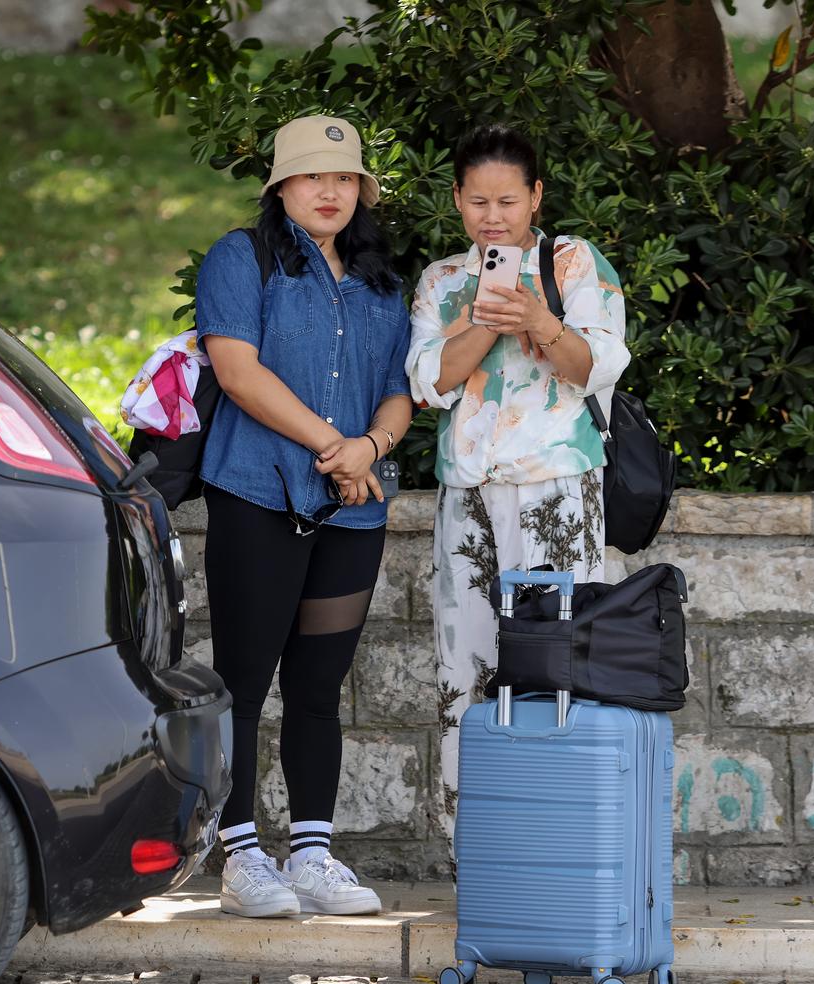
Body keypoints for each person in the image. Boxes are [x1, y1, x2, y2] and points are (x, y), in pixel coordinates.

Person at [196, 115, 415, 917]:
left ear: (361, 191)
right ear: (281, 187)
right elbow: (238, 371)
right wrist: (339, 447)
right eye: (313, 175)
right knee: (245, 682)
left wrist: (373, 443)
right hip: (257, 489)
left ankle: (314, 855)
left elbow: (402, 387)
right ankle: (242, 855)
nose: (330, 190)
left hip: (352, 511)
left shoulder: (384, 283)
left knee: (319, 687)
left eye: (345, 177)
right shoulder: (240, 258)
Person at [405, 124, 633, 849]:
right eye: (478, 202)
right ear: (457, 202)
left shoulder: (573, 263)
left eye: (508, 199)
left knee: (559, 664)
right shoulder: (443, 280)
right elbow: (428, 382)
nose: (493, 216)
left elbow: (599, 365)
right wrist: (481, 318)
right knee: (465, 667)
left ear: (536, 196)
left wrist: (538, 317)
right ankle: (474, 852)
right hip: (468, 491)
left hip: (559, 487)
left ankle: (563, 845)